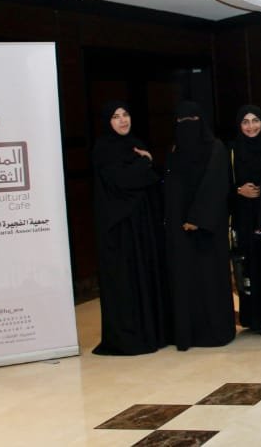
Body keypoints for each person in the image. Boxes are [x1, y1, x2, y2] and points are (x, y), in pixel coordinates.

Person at [91, 100, 165, 355]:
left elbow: (152, 180)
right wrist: (144, 163)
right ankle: (128, 337)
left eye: (125, 114)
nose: (122, 120)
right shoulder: (103, 149)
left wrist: (146, 165)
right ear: (107, 121)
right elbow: (123, 181)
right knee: (125, 281)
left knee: (143, 276)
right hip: (119, 230)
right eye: (115, 116)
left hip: (141, 227)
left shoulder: (136, 144)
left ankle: (151, 332)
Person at [164, 100, 236, 350]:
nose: (187, 126)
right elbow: (170, 188)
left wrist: (197, 218)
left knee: (210, 279)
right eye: (181, 121)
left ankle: (214, 331)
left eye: (192, 120)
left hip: (208, 230)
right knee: (186, 281)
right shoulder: (174, 151)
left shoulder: (215, 148)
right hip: (180, 230)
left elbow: (216, 185)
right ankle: (188, 333)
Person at [228, 105, 261, 334]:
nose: (251, 126)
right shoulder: (231, 151)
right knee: (250, 267)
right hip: (244, 218)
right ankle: (254, 318)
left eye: (255, 120)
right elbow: (221, 185)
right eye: (245, 122)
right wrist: (239, 191)